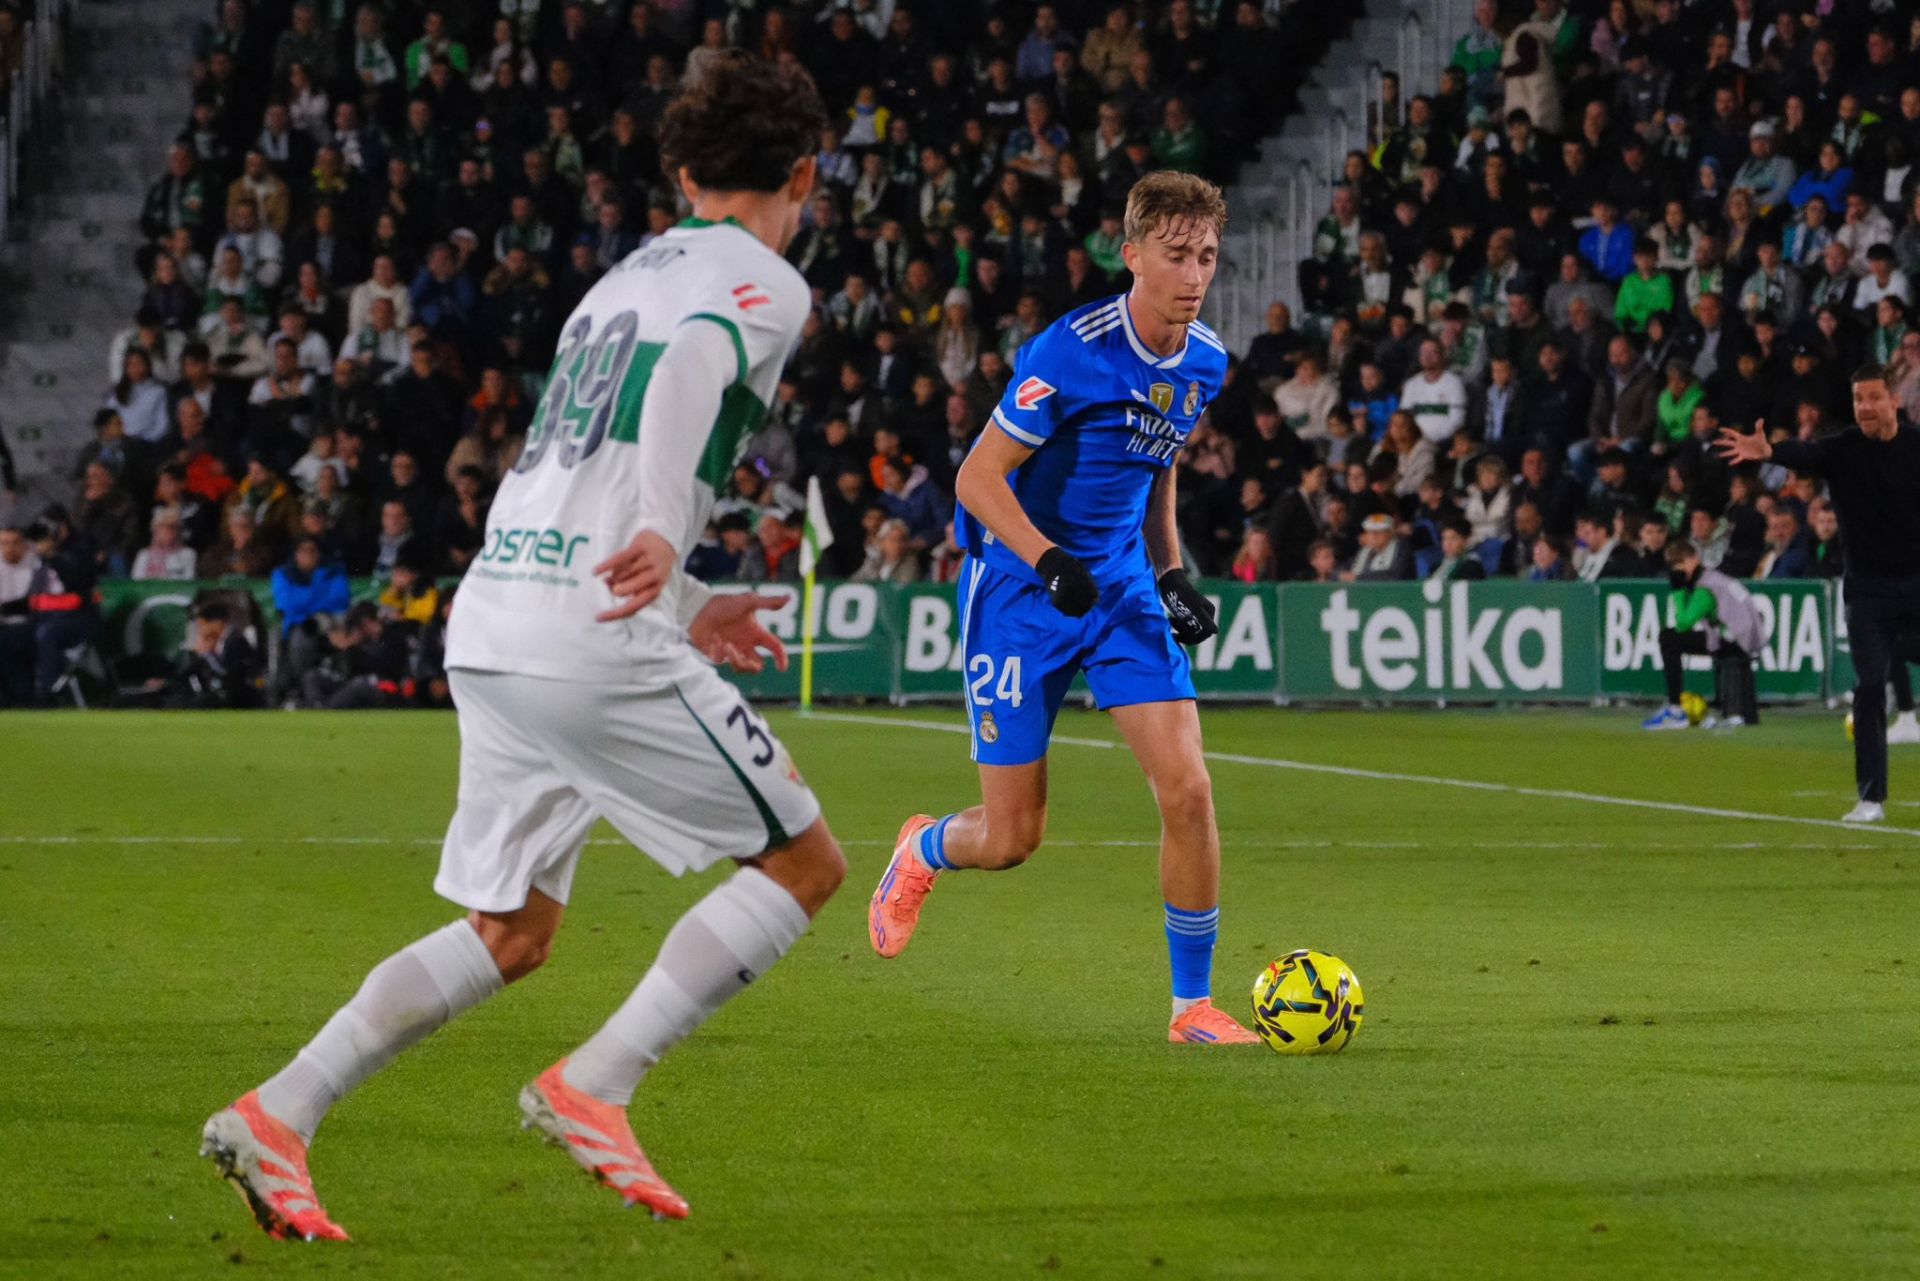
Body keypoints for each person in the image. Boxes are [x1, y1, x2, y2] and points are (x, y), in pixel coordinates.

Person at [200, 52, 847, 1240]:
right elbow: (688, 374)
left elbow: (582, 458)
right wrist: (665, 531)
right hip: (589, 636)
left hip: (501, 612)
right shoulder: (763, 278)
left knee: (513, 932)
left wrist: (686, 592)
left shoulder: (621, 278)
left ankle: (277, 1113)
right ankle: (597, 1082)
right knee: (805, 865)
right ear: (803, 175)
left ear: (686, 175)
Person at [868, 172, 1259, 1047]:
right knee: (1012, 837)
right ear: (1132, 257)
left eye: (1206, 256)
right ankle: (924, 847)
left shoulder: (1204, 360)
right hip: (1020, 590)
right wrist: (1047, 561)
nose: (1195, 275)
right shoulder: (1071, 351)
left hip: (1119, 588)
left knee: (1189, 790)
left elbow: (1156, 458)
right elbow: (977, 477)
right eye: (1176, 255)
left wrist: (1170, 571)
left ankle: (1191, 1007)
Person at [1718, 366, 1920, 820]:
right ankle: (1871, 798)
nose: (1864, 407)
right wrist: (1770, 451)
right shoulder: (1844, 448)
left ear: (1895, 400)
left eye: (1873, 397)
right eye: (1858, 398)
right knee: (1869, 687)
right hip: (1869, 592)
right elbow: (1805, 454)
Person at [1642, 541, 1767, 731]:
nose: (1678, 569)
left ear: (1694, 559)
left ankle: (1675, 709)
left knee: (1668, 638)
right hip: (1744, 637)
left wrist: (1677, 591)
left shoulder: (1706, 587)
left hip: (1735, 639)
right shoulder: (1716, 578)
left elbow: (1683, 623)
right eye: (1674, 565)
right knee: (1672, 638)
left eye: (1681, 563)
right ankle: (1681, 708)